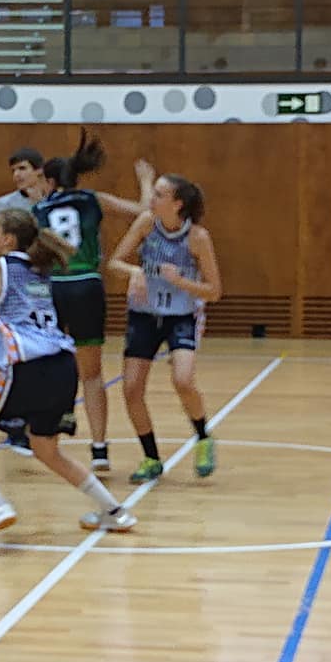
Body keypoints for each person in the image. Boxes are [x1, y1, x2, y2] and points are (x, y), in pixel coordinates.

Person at [0, 209, 137, 543]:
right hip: (63, 366)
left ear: (7, 239)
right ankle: (115, 512)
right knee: (46, 449)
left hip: (26, 366)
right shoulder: (39, 271)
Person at [32, 130, 154, 471]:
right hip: (87, 284)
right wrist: (146, 181)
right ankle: (99, 448)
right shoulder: (92, 199)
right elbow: (142, 211)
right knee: (93, 372)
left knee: (52, 362)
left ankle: (58, 423)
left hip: (55, 286)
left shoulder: (38, 209)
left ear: (52, 181)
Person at [107, 174, 223, 484]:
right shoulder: (146, 223)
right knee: (131, 388)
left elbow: (214, 290)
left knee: (183, 380)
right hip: (144, 314)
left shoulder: (197, 237)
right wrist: (134, 272)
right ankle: (151, 458)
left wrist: (181, 281)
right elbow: (114, 262)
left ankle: (203, 437)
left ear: (177, 203)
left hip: (180, 315)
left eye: (159, 194)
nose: (152, 199)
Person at [0, 147, 46, 455]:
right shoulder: (4, 205)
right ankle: (15, 422)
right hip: (7, 287)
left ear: (39, 171)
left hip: (40, 287)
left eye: (24, 168)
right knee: (9, 354)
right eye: (14, 169)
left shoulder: (49, 203)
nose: (18, 175)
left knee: (41, 352)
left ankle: (39, 419)